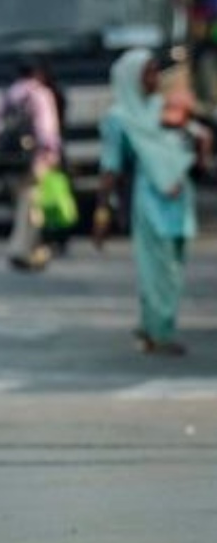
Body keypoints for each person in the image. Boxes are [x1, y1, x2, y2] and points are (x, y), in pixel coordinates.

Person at [93, 49, 208, 356]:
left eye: (155, 72)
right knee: (155, 268)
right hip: (150, 198)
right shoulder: (118, 119)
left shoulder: (165, 109)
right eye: (147, 73)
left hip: (180, 195)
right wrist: (102, 213)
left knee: (174, 269)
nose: (154, 79)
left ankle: (152, 325)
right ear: (130, 78)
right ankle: (160, 333)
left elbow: (194, 143)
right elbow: (110, 168)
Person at [0, 60, 61, 271]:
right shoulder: (40, 94)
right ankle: (21, 249)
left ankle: (29, 248)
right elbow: (46, 128)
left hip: (9, 161)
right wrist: (51, 154)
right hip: (33, 159)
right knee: (30, 205)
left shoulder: (10, 94)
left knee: (25, 204)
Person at [33, 58, 74, 255]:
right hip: (55, 152)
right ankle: (56, 238)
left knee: (50, 199)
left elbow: (47, 130)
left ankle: (53, 238)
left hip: (48, 154)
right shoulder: (54, 94)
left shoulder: (43, 96)